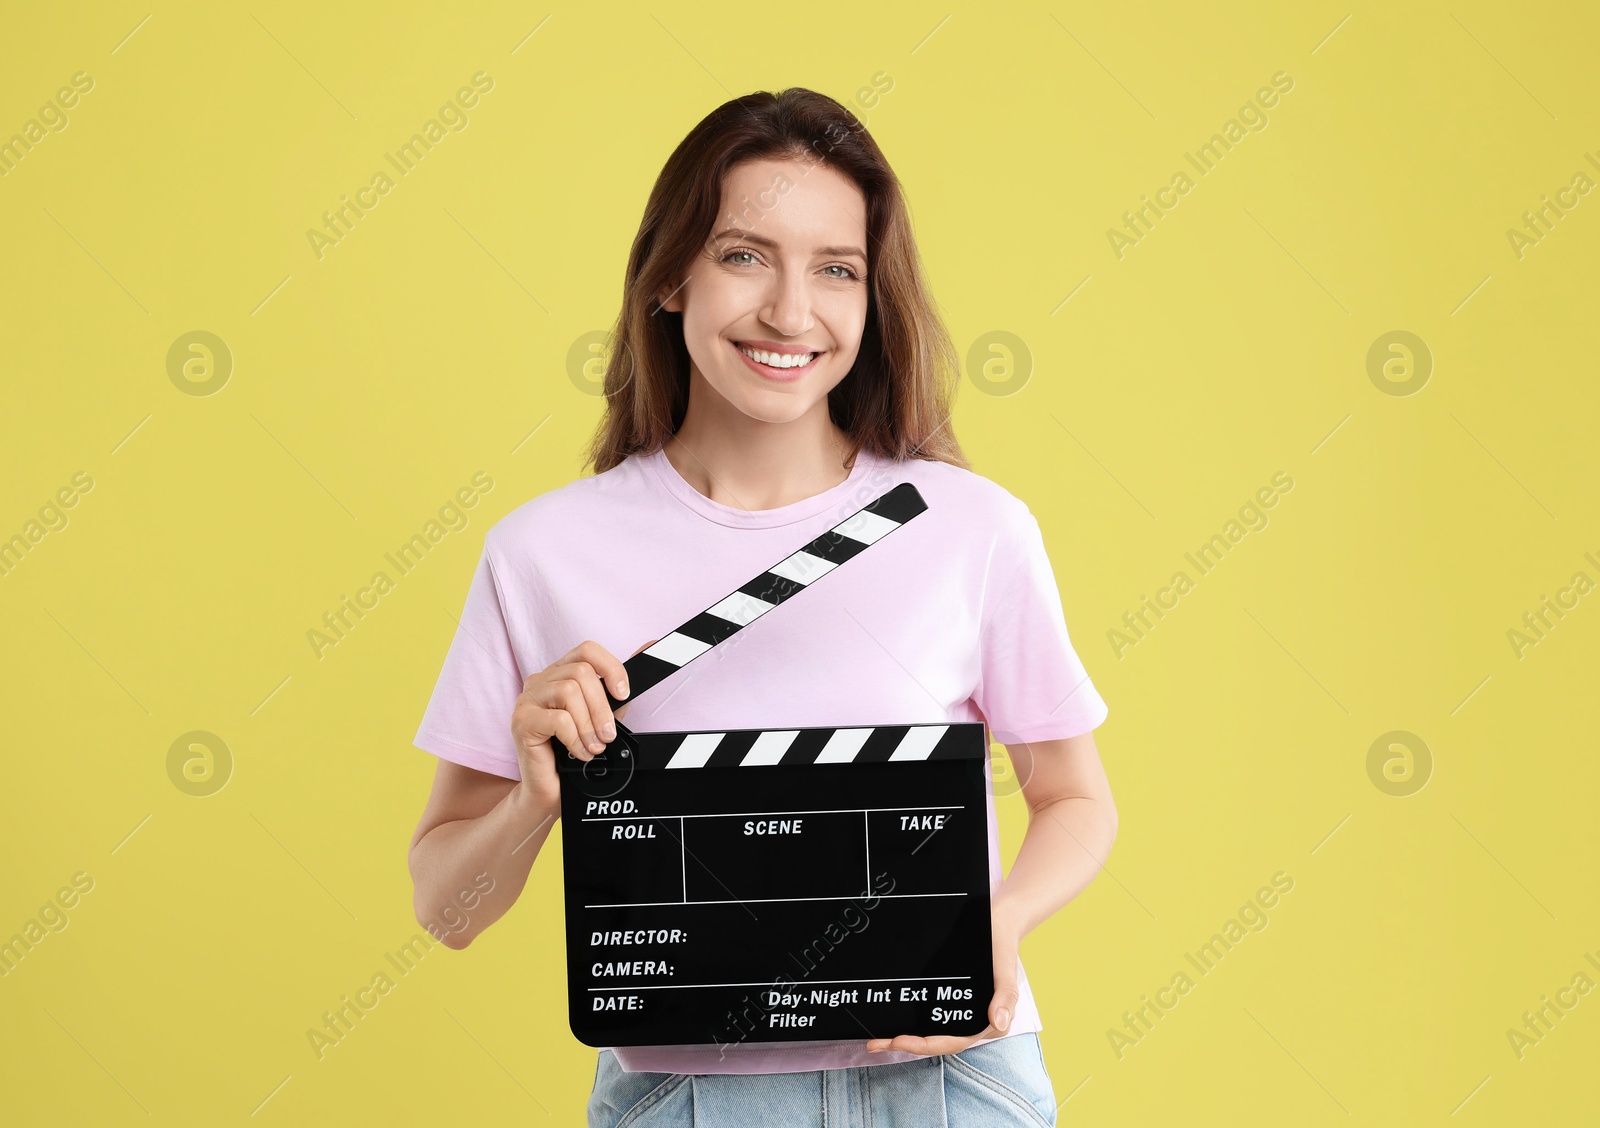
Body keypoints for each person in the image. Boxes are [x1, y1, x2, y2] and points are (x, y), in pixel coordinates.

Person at [407, 87, 1118, 1128]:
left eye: (836, 269)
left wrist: (993, 925)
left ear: (873, 298)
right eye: (745, 255)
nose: (792, 312)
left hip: (948, 1078)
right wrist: (534, 799)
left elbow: (1074, 798)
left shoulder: (968, 527)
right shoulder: (542, 553)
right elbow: (447, 911)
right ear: (668, 278)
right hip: (688, 1093)